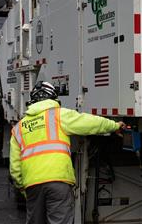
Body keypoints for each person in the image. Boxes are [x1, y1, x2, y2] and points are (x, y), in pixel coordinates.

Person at [10, 81, 125, 224]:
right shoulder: (59, 115)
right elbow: (89, 123)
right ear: (53, 98)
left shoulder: (18, 128)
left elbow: (15, 168)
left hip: (32, 185)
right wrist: (114, 126)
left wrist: (23, 188)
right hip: (59, 182)